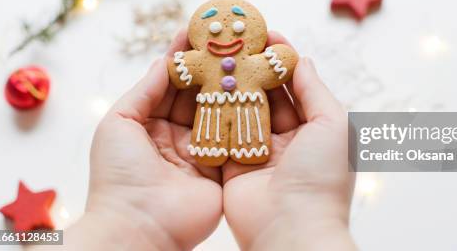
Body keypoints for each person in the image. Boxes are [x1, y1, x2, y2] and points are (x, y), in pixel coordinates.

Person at [36, 30, 355, 250]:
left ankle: (248, 146)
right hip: (208, 117)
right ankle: (210, 146)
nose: (226, 35)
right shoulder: (200, 62)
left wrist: (124, 218)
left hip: (253, 116)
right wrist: (303, 219)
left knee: (250, 134)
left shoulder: (256, 63)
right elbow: (181, 69)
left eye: (237, 27)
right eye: (215, 27)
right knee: (209, 134)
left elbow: (280, 62)